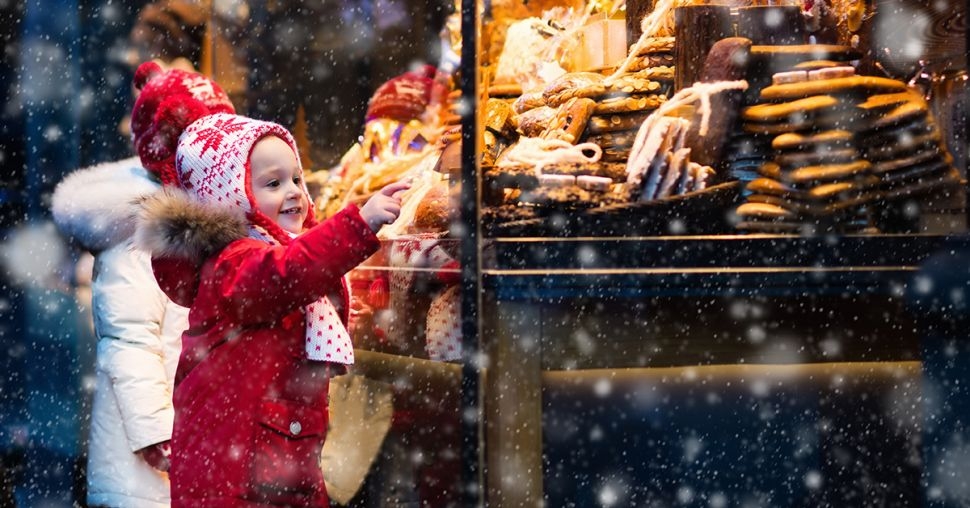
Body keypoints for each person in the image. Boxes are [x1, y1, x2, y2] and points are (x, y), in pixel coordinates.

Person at [135, 111, 409, 505]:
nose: (295, 190)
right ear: (232, 195)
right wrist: (357, 224)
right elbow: (288, 273)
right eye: (274, 183)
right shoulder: (235, 262)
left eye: (297, 178)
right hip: (238, 469)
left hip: (275, 453)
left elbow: (294, 290)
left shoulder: (265, 259)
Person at [51, 62, 235, 507]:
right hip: (148, 455)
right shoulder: (140, 233)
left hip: (194, 435)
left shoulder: (204, 223)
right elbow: (128, 340)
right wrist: (156, 432)